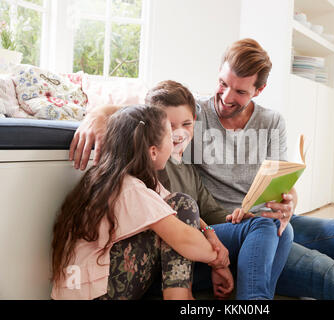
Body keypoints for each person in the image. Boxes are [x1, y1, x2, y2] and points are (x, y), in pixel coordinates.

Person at [69, 38, 334, 300]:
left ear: (258, 92)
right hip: (228, 226)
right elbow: (146, 113)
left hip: (260, 220)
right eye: (221, 84)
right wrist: (99, 112)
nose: (224, 97)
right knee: (333, 275)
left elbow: (282, 182)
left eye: (239, 92)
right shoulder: (191, 113)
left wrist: (289, 202)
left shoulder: (271, 122)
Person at [51, 105, 223, 300]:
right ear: (152, 151)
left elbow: (174, 207)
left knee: (179, 203)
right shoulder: (130, 188)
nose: (174, 140)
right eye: (169, 136)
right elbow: (189, 243)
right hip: (98, 295)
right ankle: (179, 297)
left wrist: (209, 232)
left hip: (85, 291)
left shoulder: (110, 178)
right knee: (181, 207)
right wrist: (219, 260)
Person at [145, 80, 294, 300]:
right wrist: (217, 257)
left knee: (281, 229)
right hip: (168, 259)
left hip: (195, 249)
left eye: (186, 124)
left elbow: (210, 211)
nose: (179, 134)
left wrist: (239, 218)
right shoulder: (153, 163)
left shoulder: (186, 164)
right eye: (169, 126)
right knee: (268, 226)